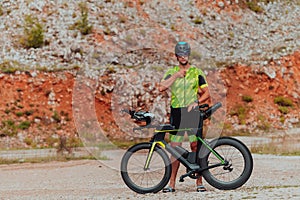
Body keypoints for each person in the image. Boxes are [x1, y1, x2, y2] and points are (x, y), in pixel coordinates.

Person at [158, 41, 210, 192]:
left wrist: (197, 102)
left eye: (185, 53)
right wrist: (176, 75)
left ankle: (199, 182)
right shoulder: (171, 71)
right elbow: (161, 87)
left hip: (192, 113)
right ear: (176, 56)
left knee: (196, 146)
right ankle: (171, 184)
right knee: (175, 148)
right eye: (180, 54)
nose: (183, 56)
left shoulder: (196, 72)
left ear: (189, 55)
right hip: (177, 113)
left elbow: (206, 92)